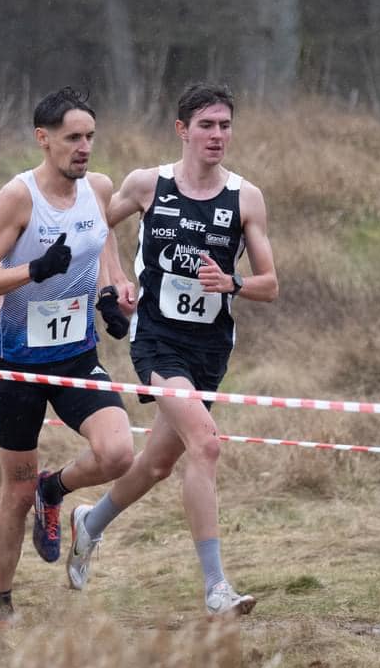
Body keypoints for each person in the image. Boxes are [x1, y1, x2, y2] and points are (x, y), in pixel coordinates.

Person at [66, 83, 278, 617]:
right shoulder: (148, 184)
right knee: (205, 444)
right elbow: (92, 226)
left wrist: (232, 283)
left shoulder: (245, 198)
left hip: (211, 348)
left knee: (158, 464)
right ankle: (216, 588)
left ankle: (89, 523)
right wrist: (115, 280)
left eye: (224, 125)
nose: (217, 135)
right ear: (182, 130)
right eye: (206, 125)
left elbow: (270, 284)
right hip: (158, 341)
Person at [0, 87, 136, 620]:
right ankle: (1, 600)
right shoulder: (18, 197)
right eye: (72, 138)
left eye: (90, 137)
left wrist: (110, 294)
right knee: (15, 493)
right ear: (43, 138)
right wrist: (34, 270)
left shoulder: (99, 188)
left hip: (76, 357)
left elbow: (102, 243)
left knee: (118, 453)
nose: (84, 147)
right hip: (18, 365)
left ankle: (55, 488)